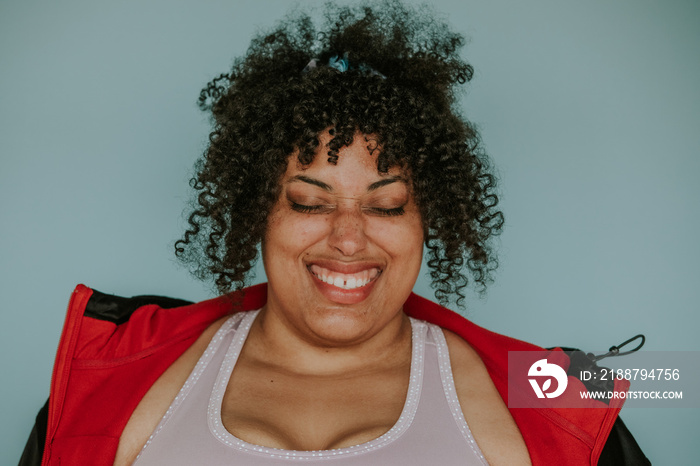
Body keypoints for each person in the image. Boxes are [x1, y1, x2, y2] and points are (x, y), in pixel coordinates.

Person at [20, 2, 649, 465]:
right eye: (307, 201)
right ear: (255, 211)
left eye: (388, 205)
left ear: (430, 217)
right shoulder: (110, 382)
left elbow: (663, 381)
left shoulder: (550, 391)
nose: (349, 240)